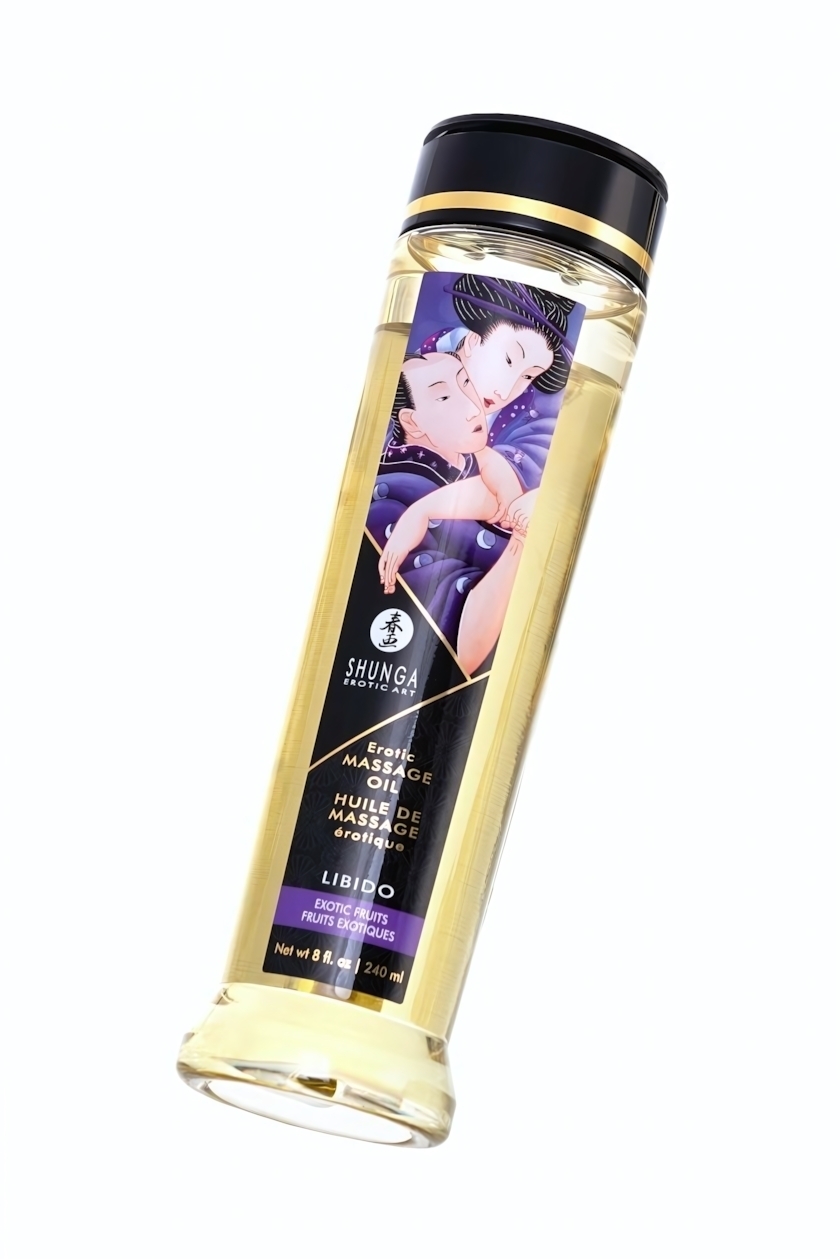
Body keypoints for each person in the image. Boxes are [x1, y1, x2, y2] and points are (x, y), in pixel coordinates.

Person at [368, 351, 529, 674]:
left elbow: (500, 501)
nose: (473, 408)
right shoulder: (388, 501)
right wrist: (523, 536)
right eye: (443, 397)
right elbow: (460, 654)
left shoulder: (471, 464)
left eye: (466, 383)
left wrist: (425, 509)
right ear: (412, 422)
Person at [418, 273, 578, 490]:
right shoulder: (418, 368)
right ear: (473, 340)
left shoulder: (527, 414)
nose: (505, 393)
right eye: (509, 360)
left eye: (528, 376)